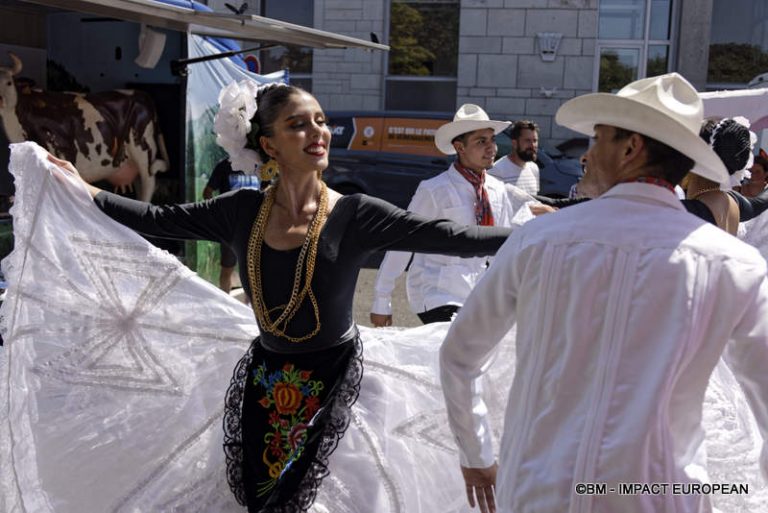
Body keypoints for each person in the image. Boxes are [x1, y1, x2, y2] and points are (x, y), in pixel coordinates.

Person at [14, 81, 512, 513]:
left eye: (320, 121)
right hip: (265, 383)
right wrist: (84, 190)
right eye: (298, 125)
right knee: (259, 498)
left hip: (340, 385)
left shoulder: (356, 213)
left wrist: (538, 236)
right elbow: (156, 221)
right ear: (270, 145)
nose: (318, 132)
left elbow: (455, 238)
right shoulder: (241, 211)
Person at [440, 73, 768, 513]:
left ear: (630, 148)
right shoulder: (733, 264)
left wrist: (477, 454)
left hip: (538, 493)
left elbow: (460, 355)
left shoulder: (537, 241)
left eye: (598, 140)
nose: (587, 156)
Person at [369, 104, 524, 327]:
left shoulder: (497, 189)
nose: (491, 148)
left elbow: (504, 249)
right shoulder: (434, 190)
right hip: (436, 293)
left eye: (492, 140)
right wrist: (381, 300)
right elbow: (403, 241)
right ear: (459, 147)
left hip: (476, 293)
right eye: (481, 141)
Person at [203, 157, 261, 292]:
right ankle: (226, 305)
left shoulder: (260, 165)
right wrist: (218, 215)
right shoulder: (224, 165)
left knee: (254, 271)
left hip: (256, 227)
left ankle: (252, 309)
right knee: (227, 268)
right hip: (231, 228)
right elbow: (207, 192)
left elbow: (268, 188)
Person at [488, 120, 540, 195]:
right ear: (514, 143)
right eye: (527, 141)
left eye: (535, 140)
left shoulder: (534, 168)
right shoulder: (497, 171)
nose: (533, 145)